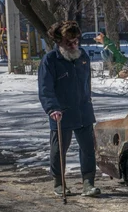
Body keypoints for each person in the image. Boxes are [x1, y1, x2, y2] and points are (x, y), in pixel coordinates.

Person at [38, 21, 101, 197]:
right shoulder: (50, 60)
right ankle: (59, 183)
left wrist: (87, 103)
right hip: (60, 112)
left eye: (75, 41)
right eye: (69, 43)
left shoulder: (83, 58)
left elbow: (86, 84)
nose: (73, 45)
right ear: (59, 43)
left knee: (88, 148)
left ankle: (88, 183)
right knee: (59, 150)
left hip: (83, 111)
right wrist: (52, 108)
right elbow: (45, 89)